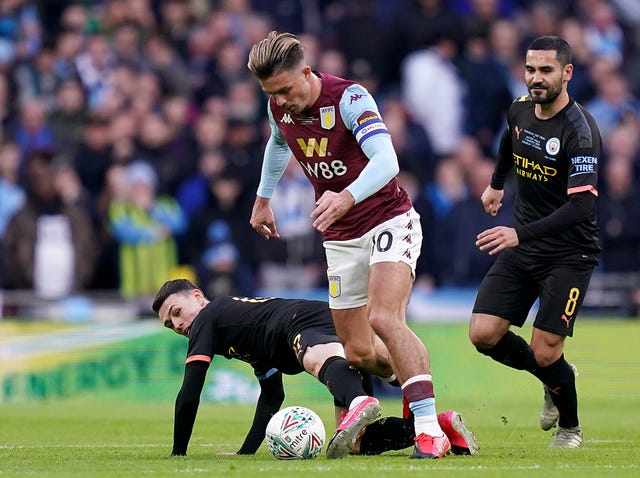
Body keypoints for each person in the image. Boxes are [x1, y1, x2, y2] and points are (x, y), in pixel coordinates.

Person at [246, 31, 451, 459]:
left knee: (384, 318)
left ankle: (430, 430)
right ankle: (424, 396)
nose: (280, 101)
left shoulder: (350, 99)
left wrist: (345, 196)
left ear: (306, 72)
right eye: (272, 94)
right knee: (357, 352)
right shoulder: (277, 106)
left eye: (285, 89)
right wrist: (264, 197)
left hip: (387, 219)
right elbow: (279, 141)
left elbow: (387, 161)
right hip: (339, 236)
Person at [152, 279, 478, 458]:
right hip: (304, 322)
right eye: (170, 324)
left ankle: (359, 402)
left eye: (178, 312)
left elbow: (190, 392)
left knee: (314, 356)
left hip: (300, 321)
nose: (178, 324)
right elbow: (271, 395)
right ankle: (436, 425)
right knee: (357, 442)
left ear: (198, 296)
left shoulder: (208, 318)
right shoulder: (235, 332)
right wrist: (246, 453)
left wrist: (178, 454)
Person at [469, 36, 602, 449]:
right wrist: (495, 185)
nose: (535, 78)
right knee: (483, 334)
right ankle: (555, 376)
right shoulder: (519, 110)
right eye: (530, 69)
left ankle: (570, 428)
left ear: (567, 73)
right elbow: (511, 141)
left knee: (546, 350)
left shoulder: (580, 133)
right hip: (524, 246)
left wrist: (518, 233)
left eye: (546, 70)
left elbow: (581, 208)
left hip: (569, 252)